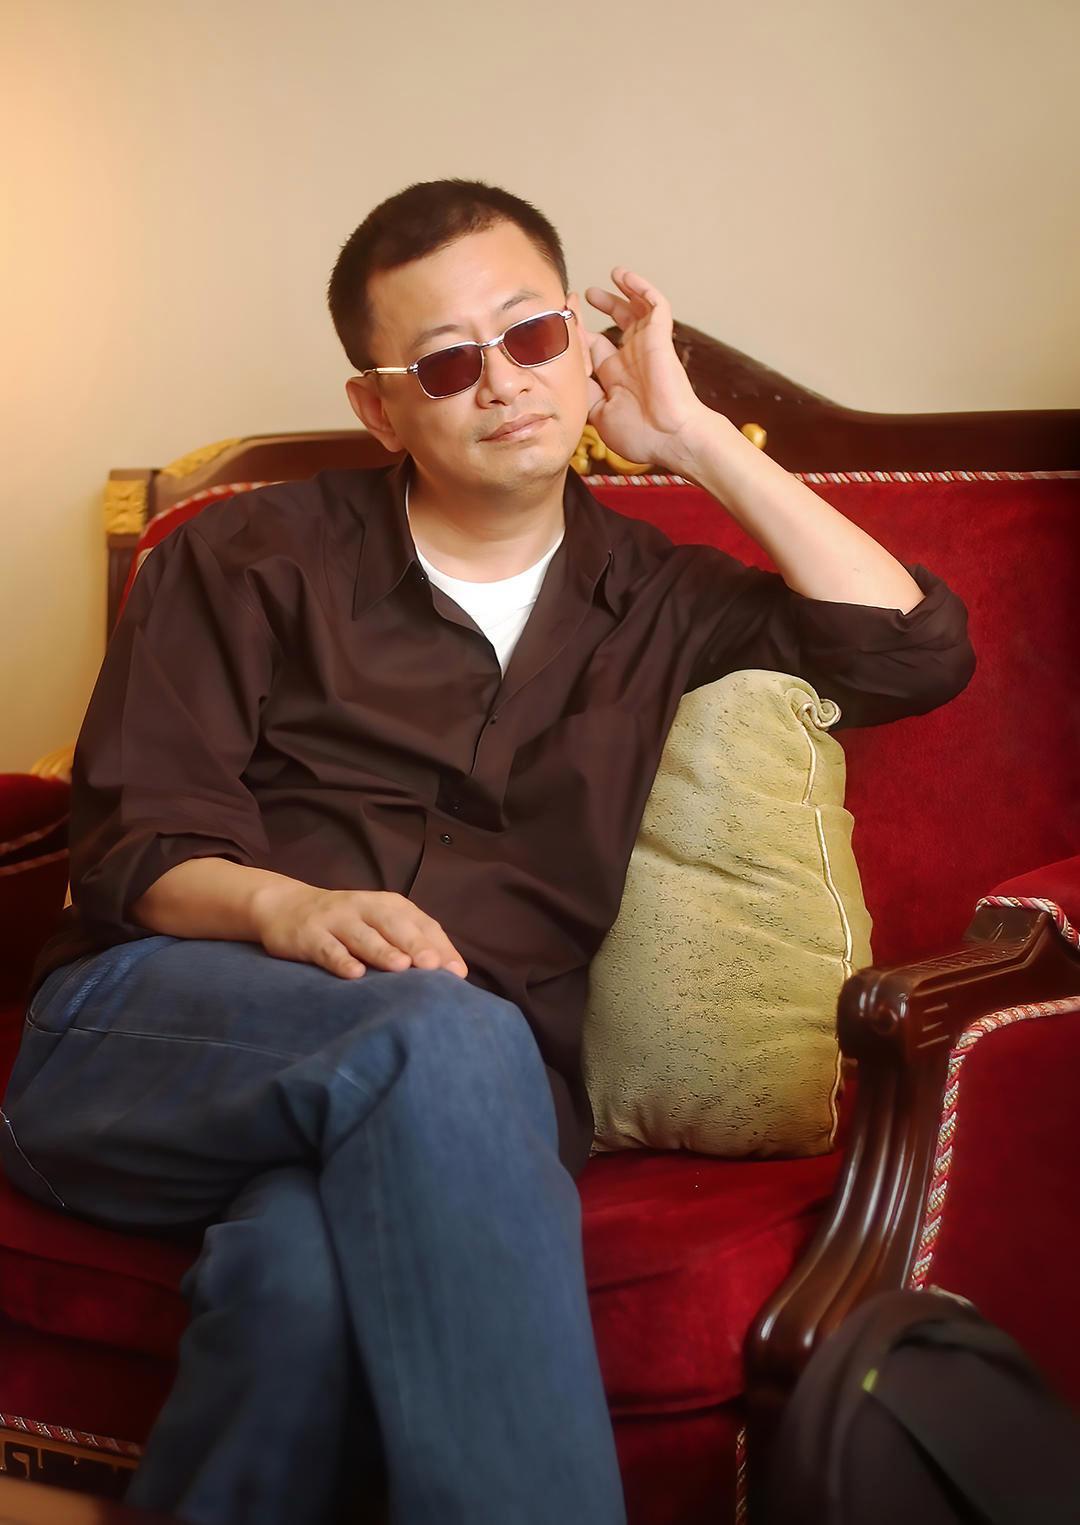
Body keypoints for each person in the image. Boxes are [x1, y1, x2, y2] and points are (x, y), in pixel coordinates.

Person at [0, 179, 975, 1525]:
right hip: (155, 1044)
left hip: (470, 1101)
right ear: (380, 409)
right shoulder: (247, 556)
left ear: (581, 343)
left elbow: (915, 652)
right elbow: (135, 846)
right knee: (445, 1032)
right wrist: (289, 911)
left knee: (297, 1273)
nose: (504, 382)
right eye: (449, 363)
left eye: (531, 336)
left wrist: (693, 438)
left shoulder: (658, 599)